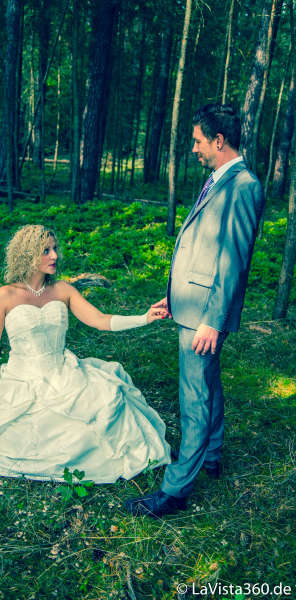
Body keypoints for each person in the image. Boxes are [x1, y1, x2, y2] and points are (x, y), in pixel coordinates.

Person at [0, 224, 172, 483]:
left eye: (54, 249)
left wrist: (144, 318)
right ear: (27, 254)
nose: (54, 255)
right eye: (46, 250)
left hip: (63, 374)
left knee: (108, 402)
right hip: (21, 379)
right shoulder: (5, 295)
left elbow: (100, 320)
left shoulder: (63, 290)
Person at [125, 104, 265, 517]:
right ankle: (212, 455)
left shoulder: (243, 186)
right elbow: (203, 249)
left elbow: (233, 261)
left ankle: (175, 491)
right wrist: (176, 296)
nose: (193, 148)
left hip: (206, 316)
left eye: (198, 141)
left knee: (194, 397)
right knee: (208, 384)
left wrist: (212, 321)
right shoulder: (218, 179)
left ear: (219, 141)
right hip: (194, 306)